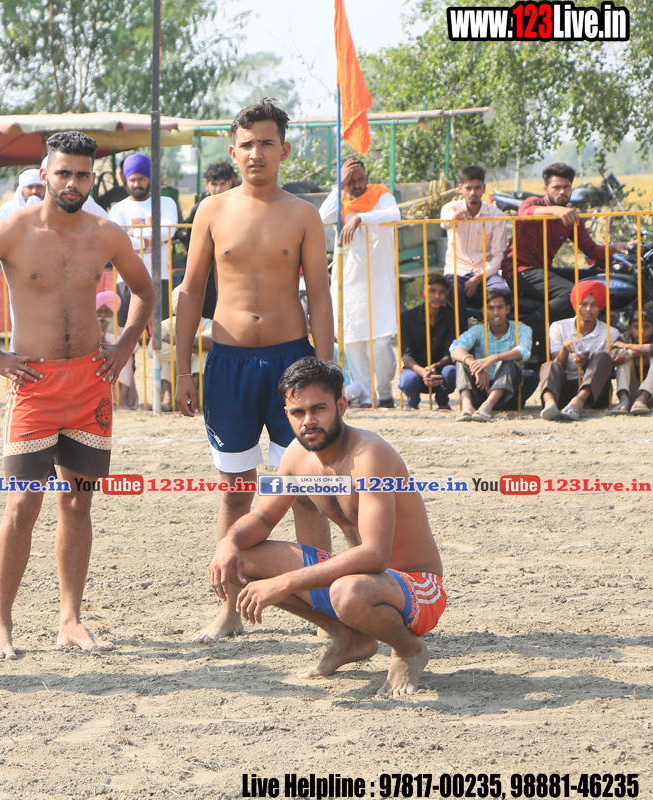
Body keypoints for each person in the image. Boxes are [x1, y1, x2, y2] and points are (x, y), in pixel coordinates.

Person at [0, 130, 155, 660]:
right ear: (45, 173)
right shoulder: (11, 229)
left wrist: (124, 347)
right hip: (33, 386)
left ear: (93, 178)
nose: (72, 183)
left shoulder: (106, 233)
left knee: (77, 502)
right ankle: (1, 625)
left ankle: (70, 621)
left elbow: (145, 291)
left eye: (82, 174)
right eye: (63, 173)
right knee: (21, 504)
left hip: (90, 384)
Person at [174, 100, 335, 645]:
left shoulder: (304, 215)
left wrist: (326, 374)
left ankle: (325, 608)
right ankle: (228, 611)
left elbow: (319, 295)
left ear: (284, 150)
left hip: (294, 363)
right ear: (233, 150)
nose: (256, 153)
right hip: (228, 364)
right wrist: (183, 369)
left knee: (308, 491)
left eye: (266, 143)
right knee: (235, 492)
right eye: (247, 144)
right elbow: (191, 292)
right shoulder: (211, 211)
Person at [209, 357, 446, 696]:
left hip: (418, 587)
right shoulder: (296, 455)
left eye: (318, 409)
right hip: (359, 580)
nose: (308, 421)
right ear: (287, 414)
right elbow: (262, 518)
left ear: (341, 406)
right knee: (238, 559)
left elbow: (376, 555)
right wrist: (228, 541)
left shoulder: (370, 455)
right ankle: (348, 637)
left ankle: (409, 650)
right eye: (297, 412)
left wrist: (284, 583)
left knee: (347, 592)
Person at [504, 163, 633, 343]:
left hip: (543, 269)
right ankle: (519, 335)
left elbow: (591, 249)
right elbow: (525, 212)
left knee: (596, 279)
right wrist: (556, 210)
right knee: (573, 294)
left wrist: (616, 247)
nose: (562, 191)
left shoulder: (571, 217)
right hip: (519, 270)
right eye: (556, 187)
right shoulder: (534, 203)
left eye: (566, 187)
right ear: (546, 189)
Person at [320, 158, 401, 407]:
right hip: (349, 284)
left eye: (360, 179)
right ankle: (366, 399)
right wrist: (339, 185)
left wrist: (360, 218)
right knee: (353, 342)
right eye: (350, 181)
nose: (356, 185)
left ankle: (385, 393)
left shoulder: (381, 195)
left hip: (378, 283)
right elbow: (323, 215)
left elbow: (394, 214)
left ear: (366, 178)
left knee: (379, 344)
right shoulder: (341, 201)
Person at [107, 153, 178, 324]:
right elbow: (115, 241)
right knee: (126, 330)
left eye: (141, 179)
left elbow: (167, 232)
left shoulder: (165, 203)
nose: (137, 184)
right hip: (126, 279)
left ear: (150, 178)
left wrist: (132, 233)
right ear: (126, 180)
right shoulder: (118, 209)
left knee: (163, 330)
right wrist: (152, 238)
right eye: (132, 179)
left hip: (159, 277)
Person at [537, 280, 622, 421]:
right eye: (583, 304)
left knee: (602, 356)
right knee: (549, 365)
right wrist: (565, 349)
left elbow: (603, 368)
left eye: (594, 304)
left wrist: (585, 363)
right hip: (564, 388)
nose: (588, 309)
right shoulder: (558, 327)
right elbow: (557, 365)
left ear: (600, 307)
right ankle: (550, 404)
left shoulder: (610, 332)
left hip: (594, 393)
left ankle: (578, 401)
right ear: (576, 304)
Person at [439, 165, 509, 324]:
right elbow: (445, 222)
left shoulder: (496, 215)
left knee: (501, 293)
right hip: (456, 269)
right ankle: (461, 336)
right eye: (468, 188)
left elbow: (498, 256)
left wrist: (477, 279)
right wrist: (455, 217)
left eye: (477, 188)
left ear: (484, 188)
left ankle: (497, 336)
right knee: (452, 290)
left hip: (486, 272)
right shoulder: (450, 208)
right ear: (460, 189)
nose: (473, 192)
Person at [450, 290, 532, 422]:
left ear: (507, 309)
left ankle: (487, 406)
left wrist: (494, 358)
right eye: (490, 308)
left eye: (500, 307)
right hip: (481, 386)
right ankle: (467, 405)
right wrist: (474, 365)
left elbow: (524, 351)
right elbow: (455, 348)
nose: (495, 313)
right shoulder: (478, 330)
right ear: (484, 310)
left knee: (507, 361)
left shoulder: (521, 329)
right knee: (462, 362)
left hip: (509, 393)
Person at [173, 160, 237, 321]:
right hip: (207, 271)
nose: (218, 189)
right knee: (205, 317)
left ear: (230, 183)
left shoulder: (240, 208)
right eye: (214, 184)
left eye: (222, 183)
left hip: (234, 270)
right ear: (206, 185)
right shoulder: (199, 210)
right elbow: (191, 243)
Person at [398, 275, 457, 410]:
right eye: (432, 291)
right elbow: (406, 355)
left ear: (446, 295)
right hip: (415, 370)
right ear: (422, 294)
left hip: (440, 369)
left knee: (452, 372)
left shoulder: (452, 317)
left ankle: (442, 400)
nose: (437, 296)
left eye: (442, 292)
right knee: (408, 381)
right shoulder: (406, 318)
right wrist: (423, 372)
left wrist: (436, 366)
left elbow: (451, 351)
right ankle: (413, 400)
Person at [97, 292, 139, 410]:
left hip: (119, 368)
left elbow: (135, 346)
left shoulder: (122, 331)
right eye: (99, 312)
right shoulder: (89, 332)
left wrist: (106, 336)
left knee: (122, 356)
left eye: (108, 312)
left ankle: (122, 400)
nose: (103, 316)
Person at [612, 305, 653, 414]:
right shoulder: (625, 338)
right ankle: (624, 399)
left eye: (647, 326)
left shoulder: (625, 343)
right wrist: (638, 352)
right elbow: (614, 356)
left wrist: (628, 346)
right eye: (636, 327)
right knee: (624, 359)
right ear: (629, 329)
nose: (642, 331)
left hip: (651, 394)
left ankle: (643, 397)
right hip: (632, 392)